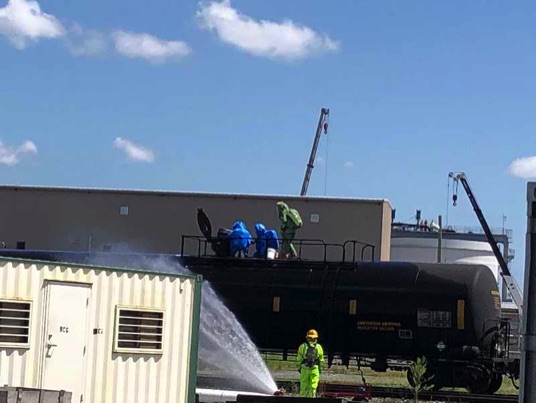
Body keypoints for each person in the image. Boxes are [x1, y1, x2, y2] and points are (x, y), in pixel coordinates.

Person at [296, 329, 325, 397]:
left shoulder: (302, 346)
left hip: (304, 369)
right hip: (314, 369)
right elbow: (321, 359)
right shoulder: (319, 347)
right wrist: (320, 368)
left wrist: (299, 367)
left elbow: (299, 359)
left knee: (304, 387)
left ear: (307, 337)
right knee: (313, 387)